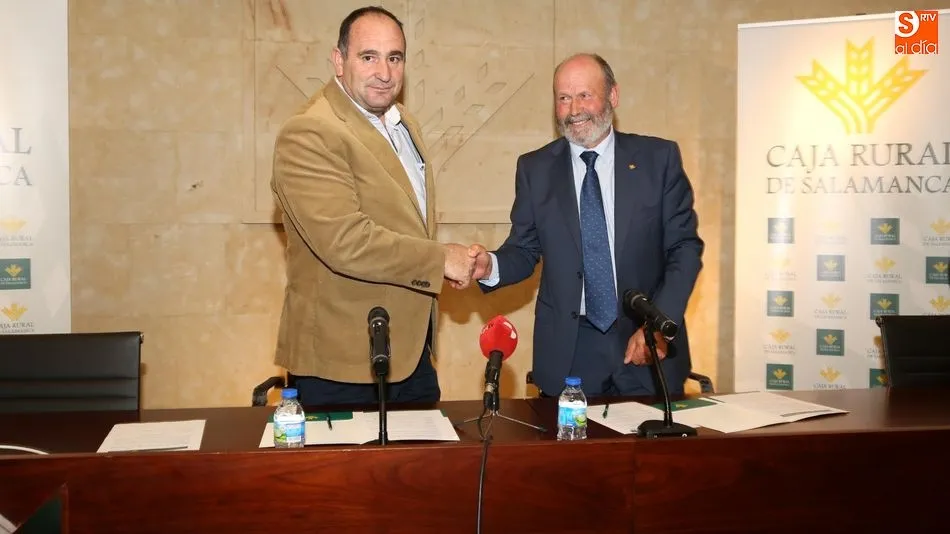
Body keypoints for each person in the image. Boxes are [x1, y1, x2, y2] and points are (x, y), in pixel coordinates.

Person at [270, 6, 475, 406]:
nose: (384, 72)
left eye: (394, 58)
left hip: (411, 355)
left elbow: (404, 223)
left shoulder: (403, 123)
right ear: (339, 60)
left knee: (422, 469)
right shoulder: (311, 132)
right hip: (340, 365)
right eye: (369, 57)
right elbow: (344, 241)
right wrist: (439, 260)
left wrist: (456, 258)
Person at [470, 53, 704, 398]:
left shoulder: (659, 160)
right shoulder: (535, 170)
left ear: (613, 96)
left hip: (646, 346)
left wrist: (657, 324)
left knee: (655, 452)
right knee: (568, 452)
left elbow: (684, 248)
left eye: (584, 95)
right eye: (563, 98)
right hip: (570, 351)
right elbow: (523, 249)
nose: (574, 109)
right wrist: (489, 265)